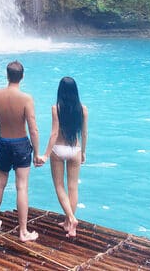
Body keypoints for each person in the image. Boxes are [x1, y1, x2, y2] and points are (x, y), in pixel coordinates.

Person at [0, 60, 43, 242]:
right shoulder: (26, 98)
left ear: (7, 75)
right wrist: (36, 152)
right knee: (22, 187)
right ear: (22, 77)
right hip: (21, 144)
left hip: (3, 142)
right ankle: (23, 232)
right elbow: (33, 129)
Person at [38, 76, 88, 238]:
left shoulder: (56, 108)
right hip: (75, 149)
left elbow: (54, 133)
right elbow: (85, 133)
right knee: (73, 187)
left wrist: (45, 154)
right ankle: (69, 224)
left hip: (58, 150)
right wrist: (84, 152)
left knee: (59, 186)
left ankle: (71, 219)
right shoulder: (83, 109)